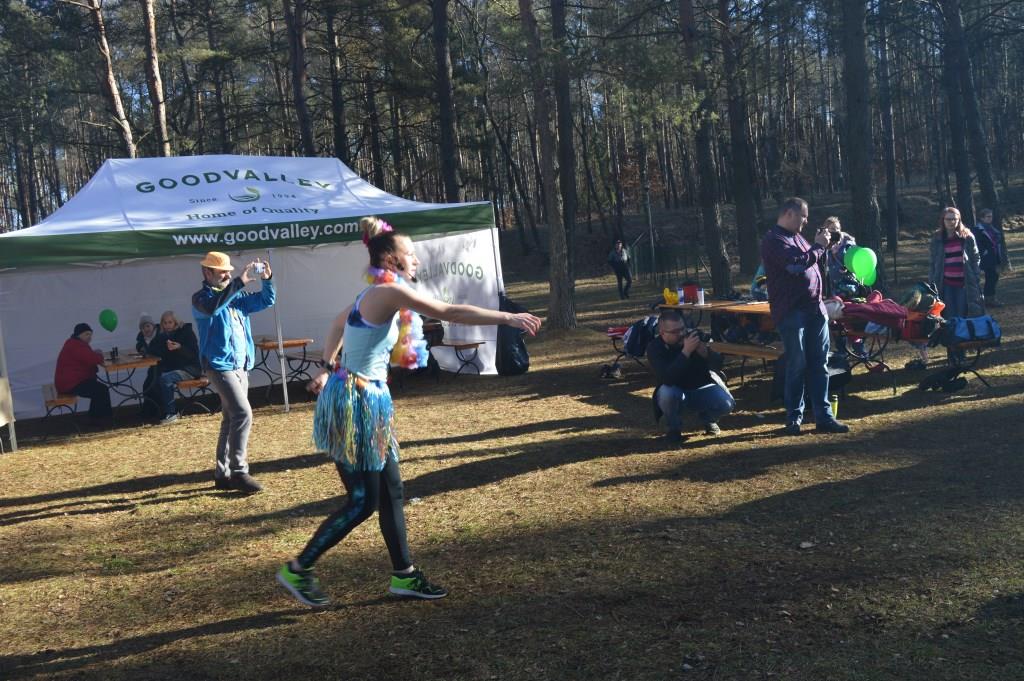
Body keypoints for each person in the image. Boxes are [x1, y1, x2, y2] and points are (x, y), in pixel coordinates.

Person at [276, 216, 542, 608]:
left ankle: (404, 575)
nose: (416, 260)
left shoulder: (374, 294)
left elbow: (337, 323)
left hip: (365, 399)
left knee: (392, 492)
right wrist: (507, 317)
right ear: (390, 259)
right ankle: (299, 568)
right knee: (363, 501)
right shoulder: (388, 293)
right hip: (357, 404)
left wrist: (328, 365)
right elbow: (449, 311)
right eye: (410, 253)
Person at [760, 197, 849, 436]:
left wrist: (824, 248)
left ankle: (824, 417)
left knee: (820, 364)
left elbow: (811, 262)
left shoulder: (798, 237)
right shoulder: (773, 240)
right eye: (803, 216)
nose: (806, 221)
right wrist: (818, 246)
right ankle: (794, 419)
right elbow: (795, 266)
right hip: (792, 311)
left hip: (815, 309)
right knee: (796, 365)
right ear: (789, 213)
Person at [191, 251, 276, 493]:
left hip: (240, 365)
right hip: (218, 365)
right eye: (222, 272)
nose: (227, 275)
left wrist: (267, 280)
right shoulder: (200, 298)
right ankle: (239, 472)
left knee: (230, 418)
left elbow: (266, 300)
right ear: (207, 273)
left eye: (229, 272)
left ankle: (223, 474)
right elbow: (213, 308)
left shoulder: (237, 296)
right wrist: (239, 282)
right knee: (242, 413)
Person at [647, 309, 734, 443]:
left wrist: (706, 353)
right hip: (675, 391)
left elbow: (718, 365)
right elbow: (667, 378)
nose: (681, 334)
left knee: (727, 404)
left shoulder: (694, 336)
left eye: (682, 329)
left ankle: (708, 419)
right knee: (666, 393)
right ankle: (674, 428)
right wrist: (686, 352)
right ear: (662, 333)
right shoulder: (655, 347)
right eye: (675, 332)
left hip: (701, 388)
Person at [929, 207, 983, 319]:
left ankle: (962, 330)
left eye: (954, 219)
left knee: (963, 312)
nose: (952, 222)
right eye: (948, 219)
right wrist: (932, 280)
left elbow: (975, 257)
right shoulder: (937, 238)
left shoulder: (967, 237)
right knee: (948, 314)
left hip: (964, 282)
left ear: (959, 220)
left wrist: (976, 275)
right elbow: (933, 261)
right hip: (945, 283)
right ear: (943, 220)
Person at [54, 323, 112, 424]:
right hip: (70, 384)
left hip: (68, 382)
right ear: (78, 334)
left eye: (90, 334)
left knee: (98, 389)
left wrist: (95, 354)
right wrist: (99, 354)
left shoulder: (74, 343)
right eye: (86, 334)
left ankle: (97, 417)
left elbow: (88, 357)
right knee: (101, 390)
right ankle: (101, 419)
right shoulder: (76, 345)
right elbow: (93, 359)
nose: (89, 337)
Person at [151, 310, 201, 425]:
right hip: (174, 368)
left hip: (190, 369)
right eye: (165, 323)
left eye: (170, 322)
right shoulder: (163, 336)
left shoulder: (186, 332)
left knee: (165, 379)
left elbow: (193, 354)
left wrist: (179, 348)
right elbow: (153, 349)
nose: (167, 325)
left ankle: (171, 413)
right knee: (154, 377)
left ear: (176, 323)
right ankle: (161, 411)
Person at [974, 208, 1003, 307]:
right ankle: (989, 300)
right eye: (988, 216)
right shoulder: (978, 229)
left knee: (994, 277)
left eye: (991, 216)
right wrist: (985, 252)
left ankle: (990, 298)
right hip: (986, 258)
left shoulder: (991, 228)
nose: (990, 218)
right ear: (982, 218)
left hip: (994, 256)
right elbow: (977, 243)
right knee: (990, 277)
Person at [136, 314, 162, 418]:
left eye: (148, 326)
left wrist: (148, 349)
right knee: (146, 385)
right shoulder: (143, 337)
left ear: (153, 326)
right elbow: (139, 344)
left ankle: (160, 410)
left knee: (155, 385)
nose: (146, 329)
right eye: (143, 328)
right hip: (154, 366)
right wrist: (141, 348)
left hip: (165, 365)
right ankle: (148, 411)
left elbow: (159, 351)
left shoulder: (160, 334)